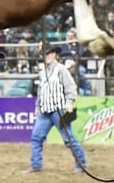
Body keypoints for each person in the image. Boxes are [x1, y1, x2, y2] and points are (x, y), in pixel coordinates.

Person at [25, 45, 87, 173]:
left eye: (48, 53)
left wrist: (69, 102)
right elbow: (41, 90)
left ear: (54, 54)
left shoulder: (61, 70)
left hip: (58, 110)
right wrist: (38, 106)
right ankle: (36, 165)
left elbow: (70, 87)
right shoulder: (43, 72)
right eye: (43, 54)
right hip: (45, 110)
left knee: (69, 139)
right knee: (36, 137)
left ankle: (81, 164)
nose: (46, 56)